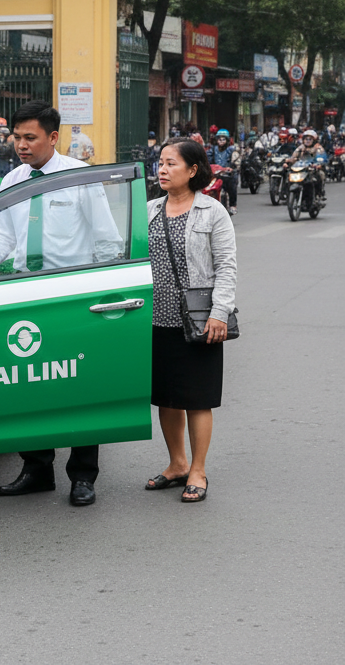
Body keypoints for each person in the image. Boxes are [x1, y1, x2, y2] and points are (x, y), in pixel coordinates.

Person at [0, 100, 123, 507]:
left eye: (29, 138)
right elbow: (3, 236)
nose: (20, 145)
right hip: (24, 293)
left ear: (53, 138)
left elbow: (106, 239)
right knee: (29, 383)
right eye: (15, 137)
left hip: (69, 295)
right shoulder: (12, 182)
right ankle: (36, 468)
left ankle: (82, 476)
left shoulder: (78, 177)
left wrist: (103, 289)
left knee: (79, 387)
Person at [145, 140, 236, 503]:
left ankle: (198, 469)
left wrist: (219, 313)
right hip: (155, 318)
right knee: (166, 398)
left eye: (171, 164)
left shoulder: (212, 212)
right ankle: (177, 463)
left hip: (199, 321)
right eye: (160, 163)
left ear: (193, 169)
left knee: (197, 398)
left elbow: (227, 266)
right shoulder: (149, 209)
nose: (162, 170)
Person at [207, 129, 240, 215]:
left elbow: (237, 160)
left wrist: (232, 167)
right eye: (219, 139)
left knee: (232, 185)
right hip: (214, 174)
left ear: (227, 140)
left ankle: (233, 205)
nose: (221, 141)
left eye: (223, 139)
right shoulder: (212, 150)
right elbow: (206, 160)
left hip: (227, 175)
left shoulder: (231, 150)